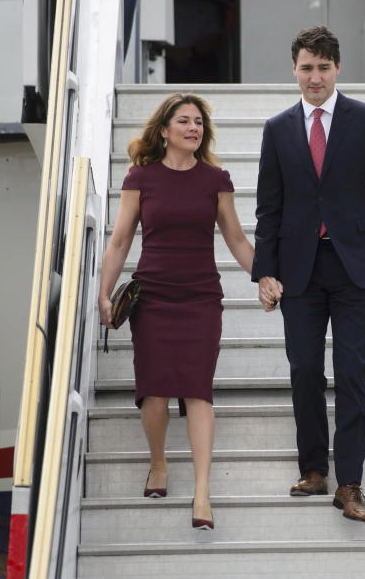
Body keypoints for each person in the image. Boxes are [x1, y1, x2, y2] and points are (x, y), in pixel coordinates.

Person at [251, 26, 365, 523]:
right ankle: (314, 469)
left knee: (352, 372)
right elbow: (268, 208)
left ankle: (351, 483)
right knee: (303, 371)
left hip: (356, 264)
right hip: (299, 269)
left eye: (322, 67)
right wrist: (264, 272)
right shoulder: (277, 128)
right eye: (305, 67)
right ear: (294, 70)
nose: (314, 76)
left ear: (337, 69)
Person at [98, 93, 255, 530]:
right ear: (164, 131)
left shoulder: (216, 179)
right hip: (154, 296)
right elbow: (119, 241)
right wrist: (104, 293)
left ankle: (202, 494)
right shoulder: (140, 178)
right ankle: (159, 462)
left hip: (201, 298)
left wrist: (266, 276)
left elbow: (237, 240)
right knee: (154, 393)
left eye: (198, 122)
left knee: (198, 391)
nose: (193, 128)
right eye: (183, 121)